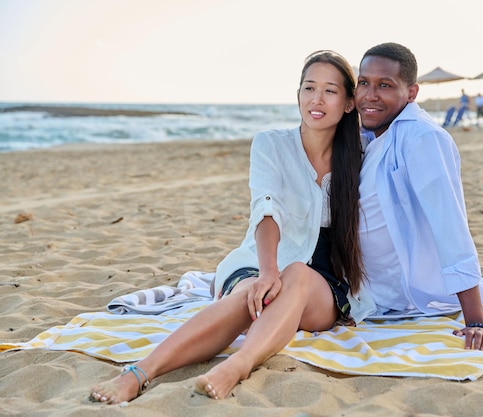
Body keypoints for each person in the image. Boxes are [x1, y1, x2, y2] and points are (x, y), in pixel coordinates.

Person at [89, 49, 365, 404]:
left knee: (294, 274)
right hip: (261, 260)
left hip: (323, 283)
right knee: (252, 295)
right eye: (308, 88)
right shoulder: (271, 144)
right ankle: (140, 371)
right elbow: (267, 209)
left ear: (347, 103)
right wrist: (267, 272)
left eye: (329, 91)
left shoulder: (358, 157)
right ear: (297, 94)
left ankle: (238, 364)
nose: (316, 99)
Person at [355, 42, 483, 351]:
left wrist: (474, 318)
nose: (370, 94)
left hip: (388, 294)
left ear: (411, 93)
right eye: (363, 82)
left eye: (385, 85)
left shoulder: (422, 138)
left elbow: (449, 225)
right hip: (358, 285)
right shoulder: (372, 135)